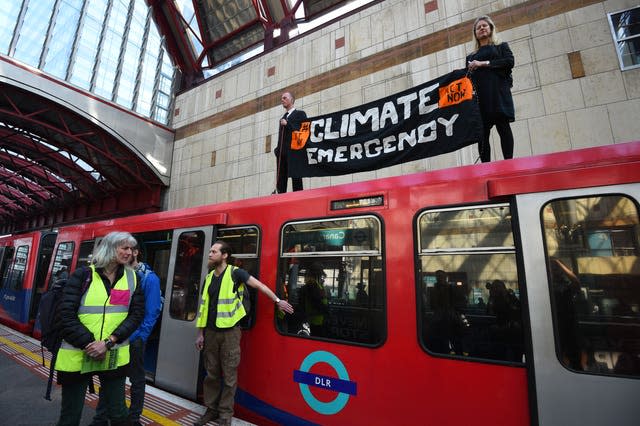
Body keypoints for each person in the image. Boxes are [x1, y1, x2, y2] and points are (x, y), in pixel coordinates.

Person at [194, 241, 294, 426]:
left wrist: (278, 300)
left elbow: (260, 286)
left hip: (230, 333)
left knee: (229, 376)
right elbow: (203, 307)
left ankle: (225, 415)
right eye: (210, 251)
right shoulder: (208, 278)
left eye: (213, 251)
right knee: (211, 375)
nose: (209, 254)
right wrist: (200, 333)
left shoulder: (235, 273)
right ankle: (211, 410)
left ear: (224, 255)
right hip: (210, 333)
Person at [54, 232, 144, 426]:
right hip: (77, 356)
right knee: (70, 416)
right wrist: (90, 344)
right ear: (110, 247)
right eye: (125, 247)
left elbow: (136, 315)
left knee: (119, 413)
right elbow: (65, 315)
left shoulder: (133, 278)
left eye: (131, 248)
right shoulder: (82, 275)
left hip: (113, 355)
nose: (130, 252)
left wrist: (108, 342)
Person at [91, 244, 163, 426]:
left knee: (136, 379)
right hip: (117, 338)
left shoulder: (149, 278)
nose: (124, 254)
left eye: (128, 250)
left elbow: (152, 311)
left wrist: (139, 337)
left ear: (136, 253)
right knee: (111, 377)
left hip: (134, 339)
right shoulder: (119, 276)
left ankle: (134, 417)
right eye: (120, 251)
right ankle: (101, 417)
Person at [466, 15, 515, 162]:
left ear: (491, 28)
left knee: (503, 128)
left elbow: (509, 62)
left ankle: (509, 163)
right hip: (481, 100)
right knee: (482, 135)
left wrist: (482, 63)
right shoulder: (471, 56)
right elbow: (467, 79)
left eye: (484, 26)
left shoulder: (502, 47)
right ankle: (485, 168)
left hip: (498, 95)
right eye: (478, 27)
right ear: (475, 33)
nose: (482, 28)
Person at [274, 91, 307, 193]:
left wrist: (288, 124)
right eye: (282, 98)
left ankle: (298, 201)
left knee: (296, 180)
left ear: (291, 100)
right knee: (281, 181)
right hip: (282, 155)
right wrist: (277, 150)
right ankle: (280, 201)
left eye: (285, 98)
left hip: (294, 153)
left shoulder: (300, 114)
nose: (282, 100)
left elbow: (303, 132)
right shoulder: (282, 118)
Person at [299, 262, 329, 337]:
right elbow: (316, 302)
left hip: (317, 320)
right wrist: (325, 310)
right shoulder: (312, 285)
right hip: (314, 321)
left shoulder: (315, 284)